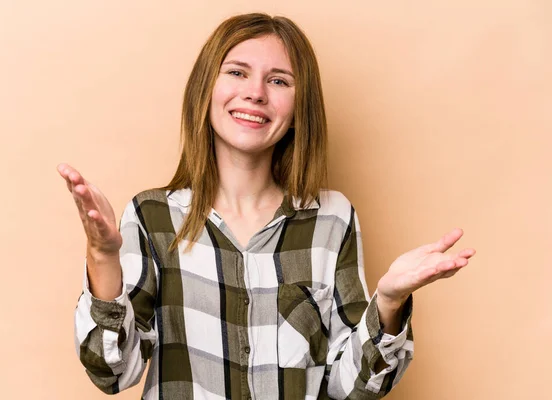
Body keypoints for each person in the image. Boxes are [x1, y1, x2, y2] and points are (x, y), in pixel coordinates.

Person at [58, 13, 476, 400]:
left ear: (298, 110)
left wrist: (387, 302)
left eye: (278, 81)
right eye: (237, 73)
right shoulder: (154, 217)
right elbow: (112, 371)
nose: (255, 93)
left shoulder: (332, 218)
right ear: (206, 90)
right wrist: (103, 256)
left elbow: (354, 388)